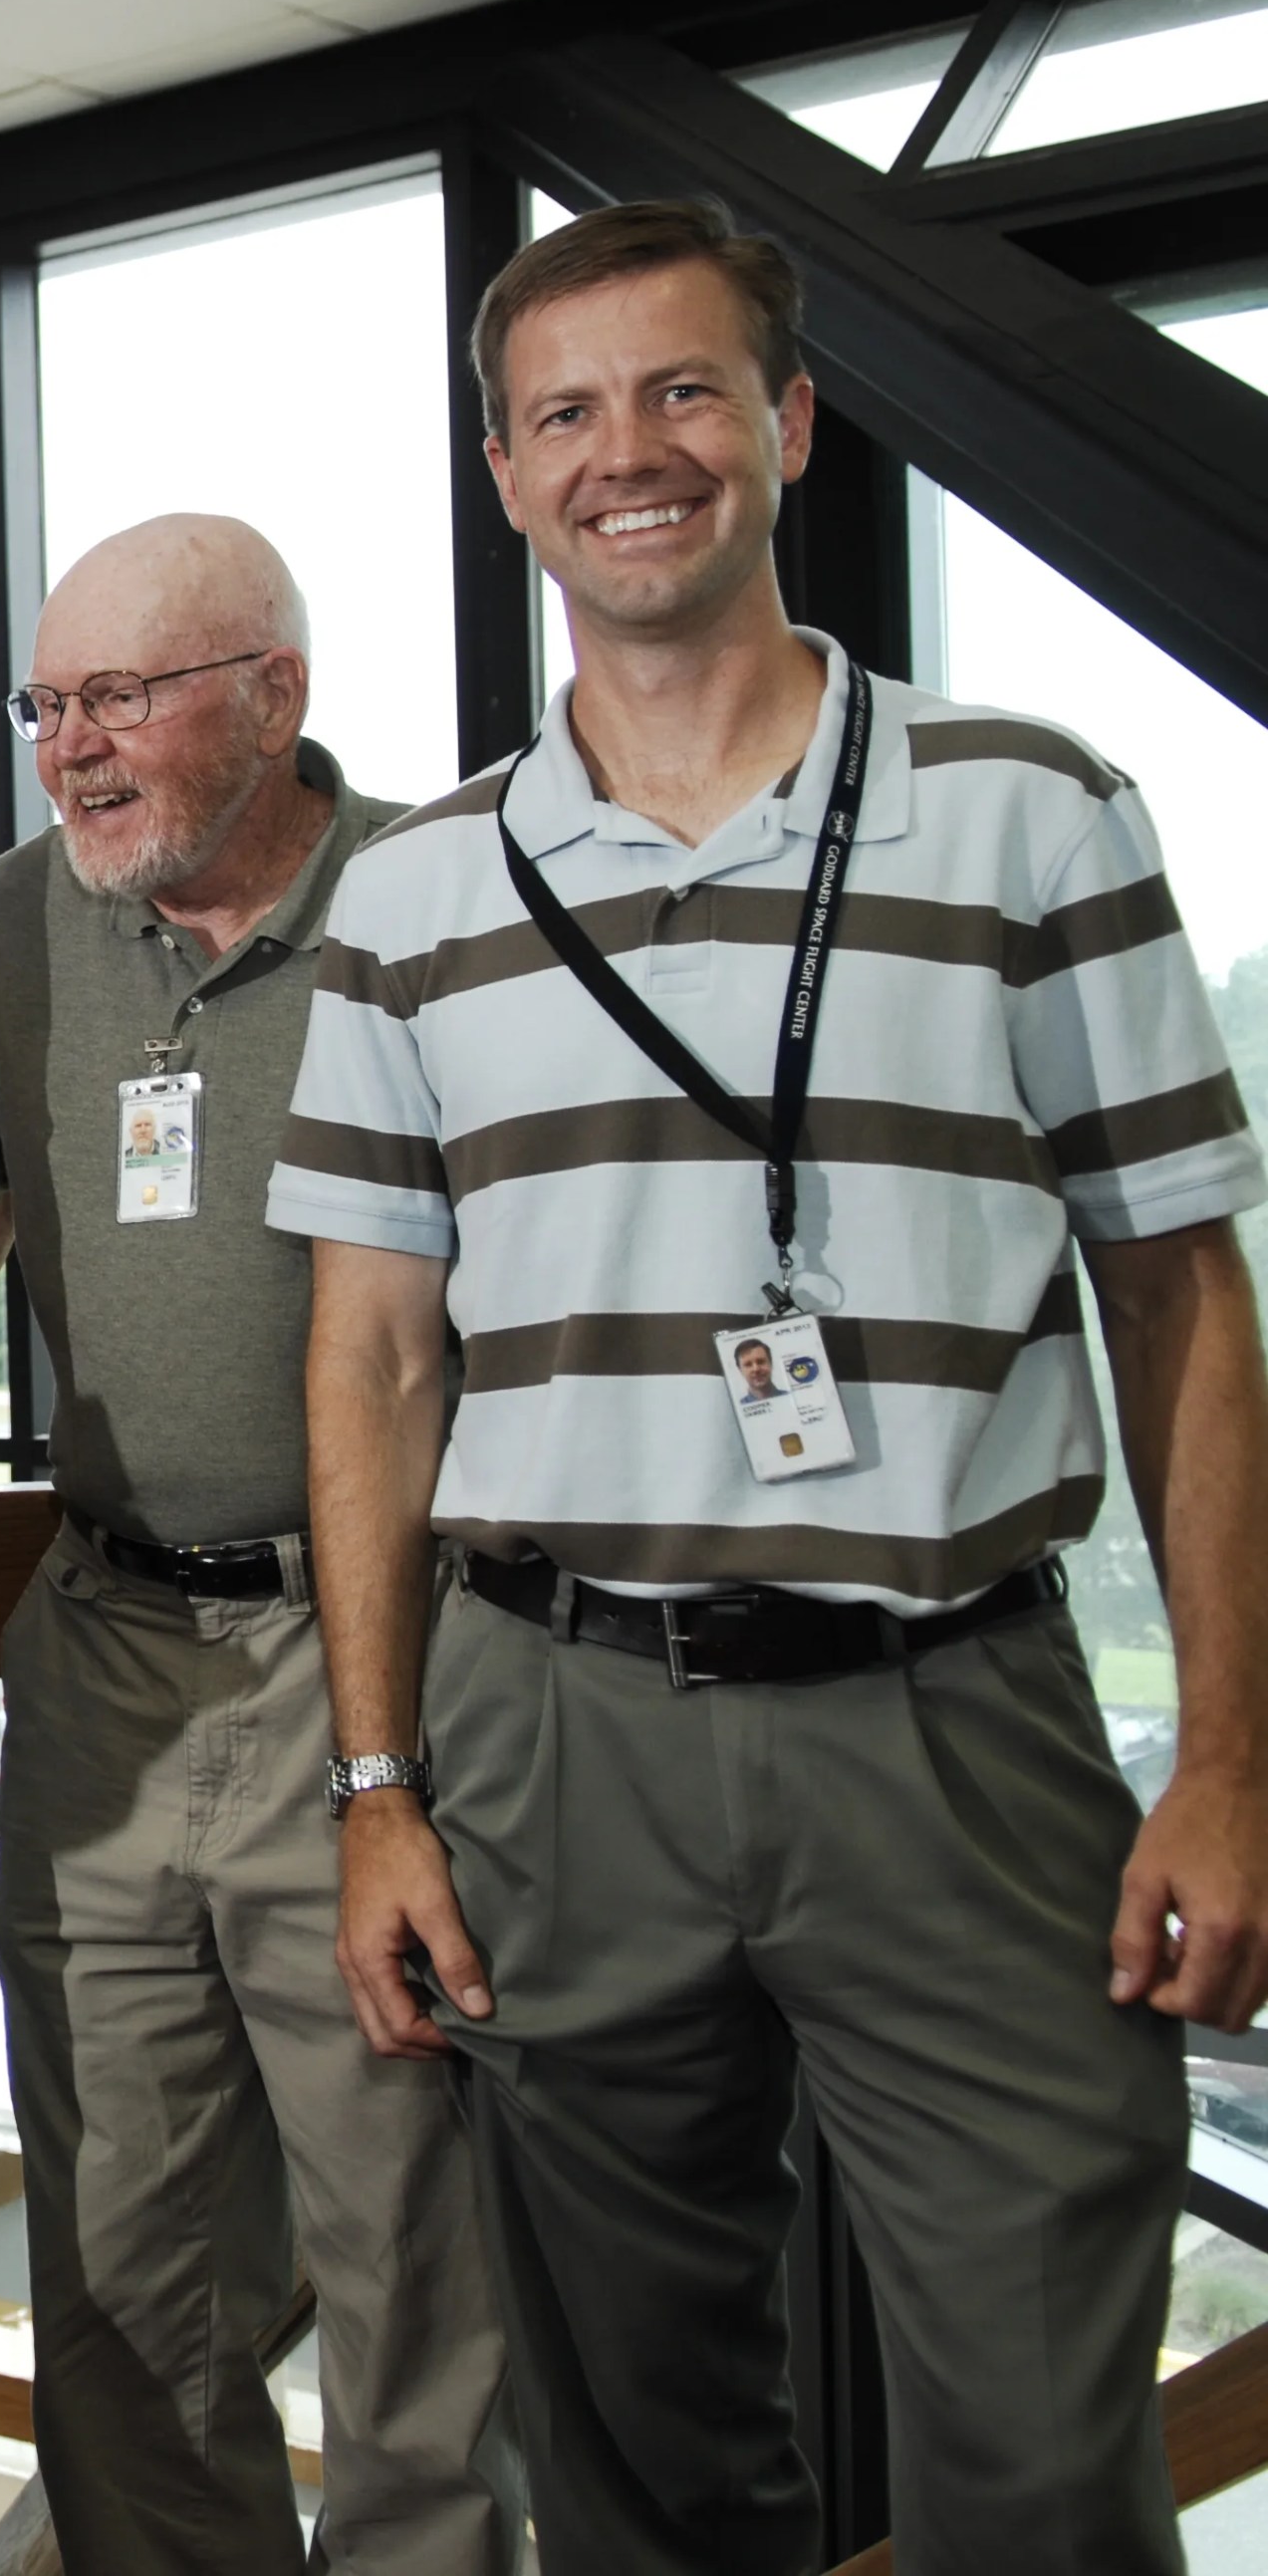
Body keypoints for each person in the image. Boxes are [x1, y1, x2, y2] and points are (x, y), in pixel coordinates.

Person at [279, 196, 1268, 2575]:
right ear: (507, 474)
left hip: (955, 1726)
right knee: (632, 2451)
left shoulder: (1036, 812)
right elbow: (372, 1354)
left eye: (686, 390)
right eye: (568, 413)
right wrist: (378, 1783)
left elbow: (1185, 1307)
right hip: (553, 1730)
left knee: (1039, 2446)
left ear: (791, 427)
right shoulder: (413, 896)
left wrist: (1230, 1753)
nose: (633, 452)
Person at [0, 514, 516, 2575]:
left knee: (405, 2260)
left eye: (117, 697)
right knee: (117, 2270)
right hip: (106, 1641)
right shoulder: (24, 914)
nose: (67, 746)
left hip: (374, 1652)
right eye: (44, 705)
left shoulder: (441, 898)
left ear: (273, 695)